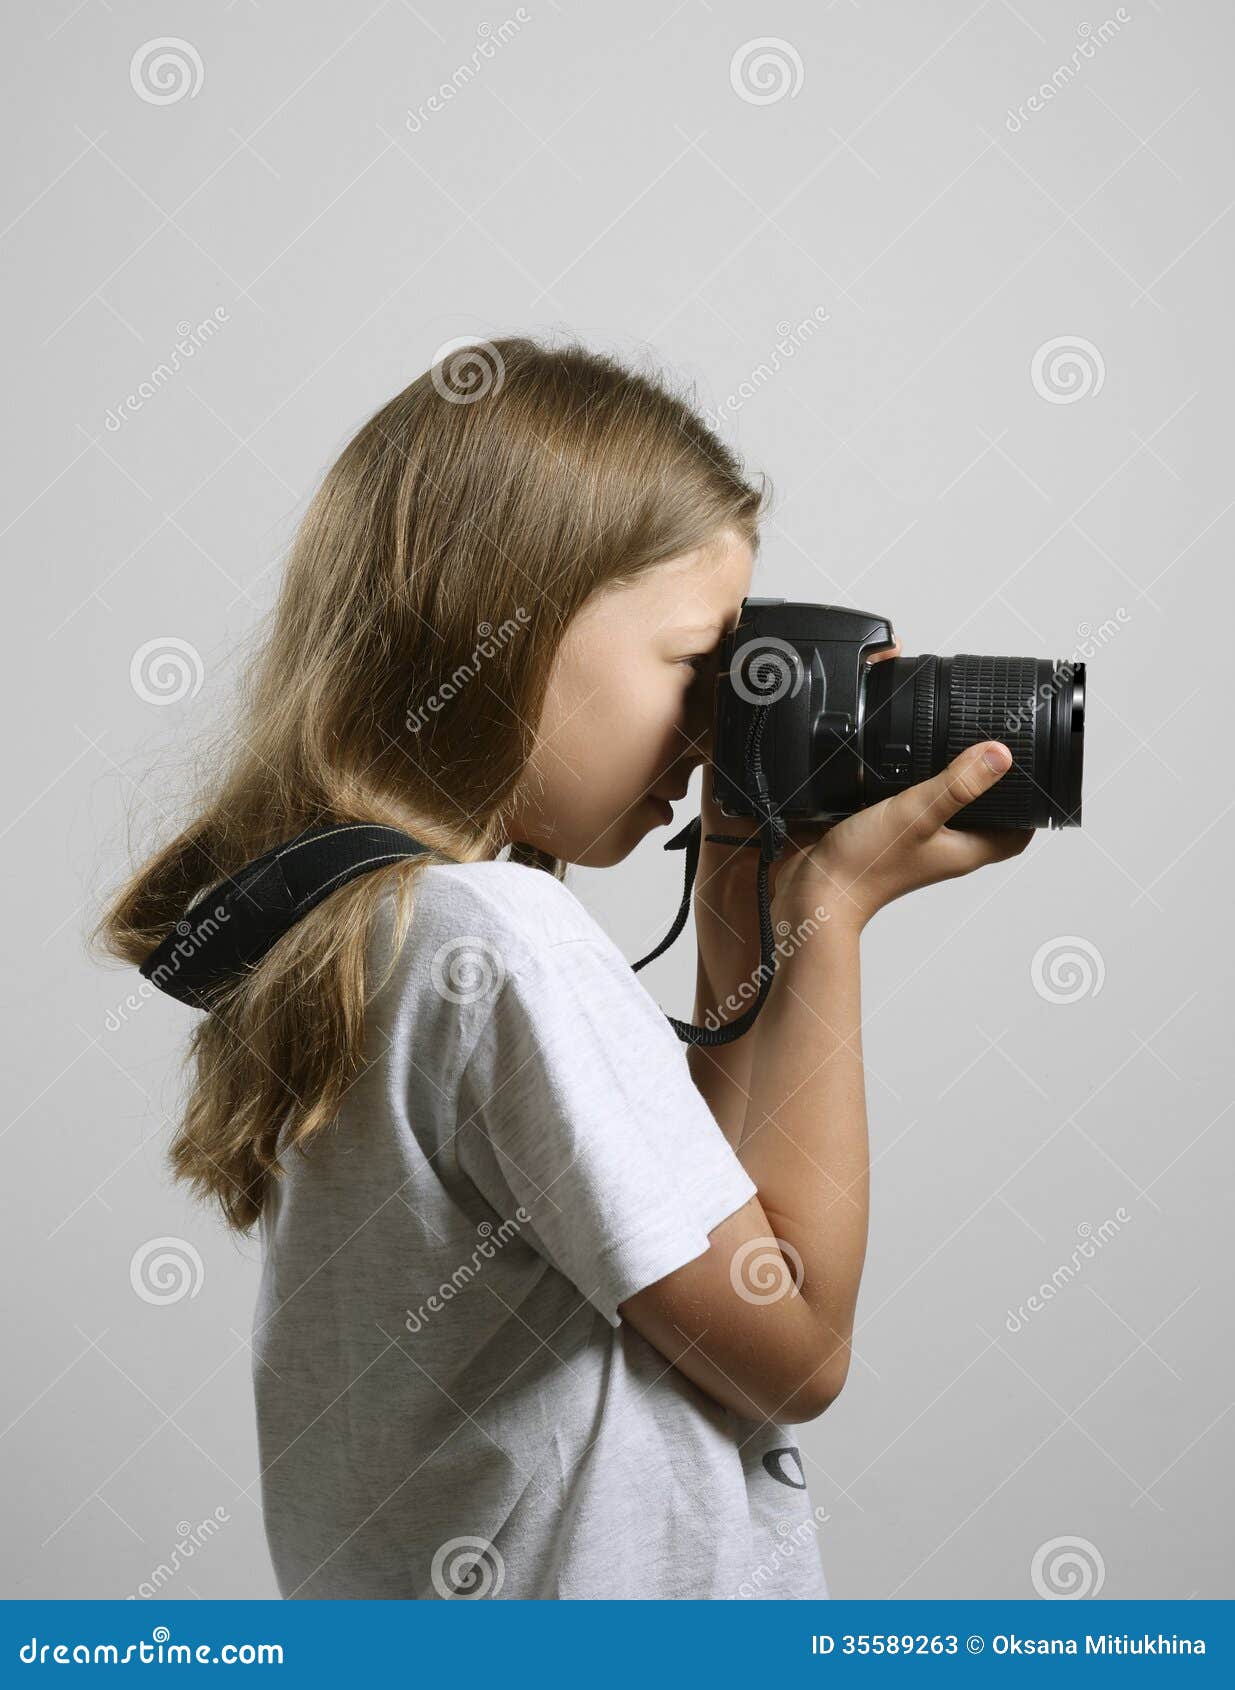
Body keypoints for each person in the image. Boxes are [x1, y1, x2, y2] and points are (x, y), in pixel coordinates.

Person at [94, 337, 1031, 1600]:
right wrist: (833, 907)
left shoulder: (399, 927)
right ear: (510, 627)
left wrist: (747, 902)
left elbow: (713, 1235)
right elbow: (791, 1340)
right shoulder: (497, 940)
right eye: (692, 663)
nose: (716, 724)